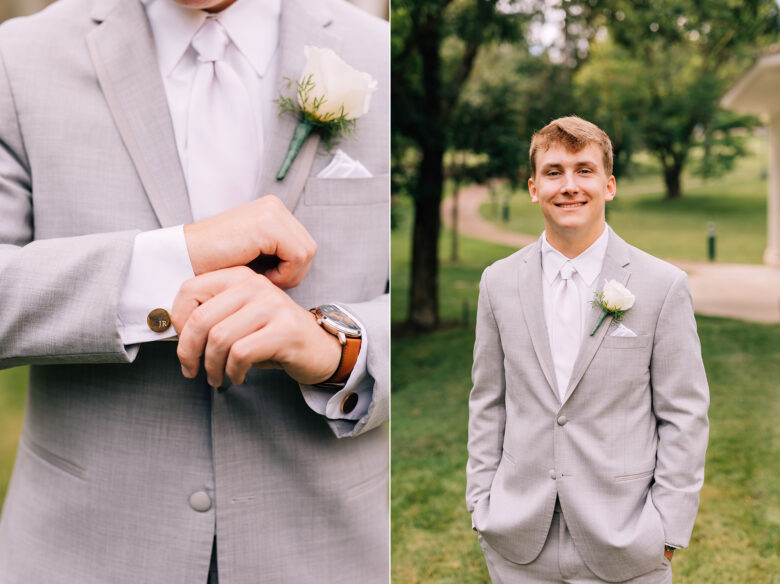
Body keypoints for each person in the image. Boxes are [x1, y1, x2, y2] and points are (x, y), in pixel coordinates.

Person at [0, 0, 389, 582]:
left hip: (327, 551)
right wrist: (168, 265)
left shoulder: (376, 51)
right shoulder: (18, 57)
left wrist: (340, 348)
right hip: (85, 553)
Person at [466, 116, 709, 583]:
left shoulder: (662, 285)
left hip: (625, 540)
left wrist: (667, 528)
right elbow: (487, 401)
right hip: (518, 539)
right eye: (554, 172)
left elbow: (685, 414)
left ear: (609, 185)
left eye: (584, 170)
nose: (569, 186)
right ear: (533, 188)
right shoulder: (498, 282)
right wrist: (481, 504)